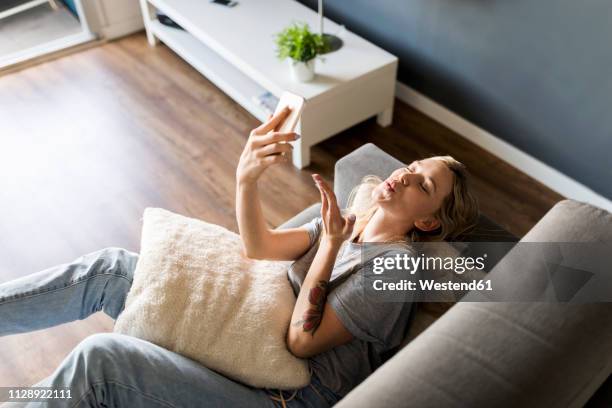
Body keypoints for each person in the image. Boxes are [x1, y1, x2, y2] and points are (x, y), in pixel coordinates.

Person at [0, 107, 478, 408]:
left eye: (424, 185)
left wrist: (330, 246)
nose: (407, 176)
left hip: (286, 393)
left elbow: (301, 344)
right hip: (256, 335)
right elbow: (261, 246)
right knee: (112, 269)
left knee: (102, 361)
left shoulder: (393, 271)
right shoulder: (354, 214)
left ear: (428, 223)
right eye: (414, 167)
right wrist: (246, 178)